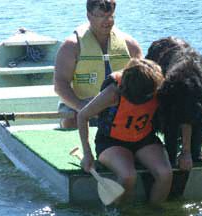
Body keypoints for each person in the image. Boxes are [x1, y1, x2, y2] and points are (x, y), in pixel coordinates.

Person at [77, 58, 173, 205]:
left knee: (165, 174)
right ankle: (119, 212)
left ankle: (155, 210)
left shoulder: (157, 86)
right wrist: (87, 153)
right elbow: (82, 115)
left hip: (144, 139)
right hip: (112, 141)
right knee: (128, 176)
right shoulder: (113, 92)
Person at [54, 0, 142, 128]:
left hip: (119, 106)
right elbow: (60, 85)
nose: (107, 21)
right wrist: (83, 107)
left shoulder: (130, 45)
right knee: (70, 121)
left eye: (110, 16)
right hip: (78, 105)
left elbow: (143, 81)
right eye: (101, 16)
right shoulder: (71, 46)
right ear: (89, 16)